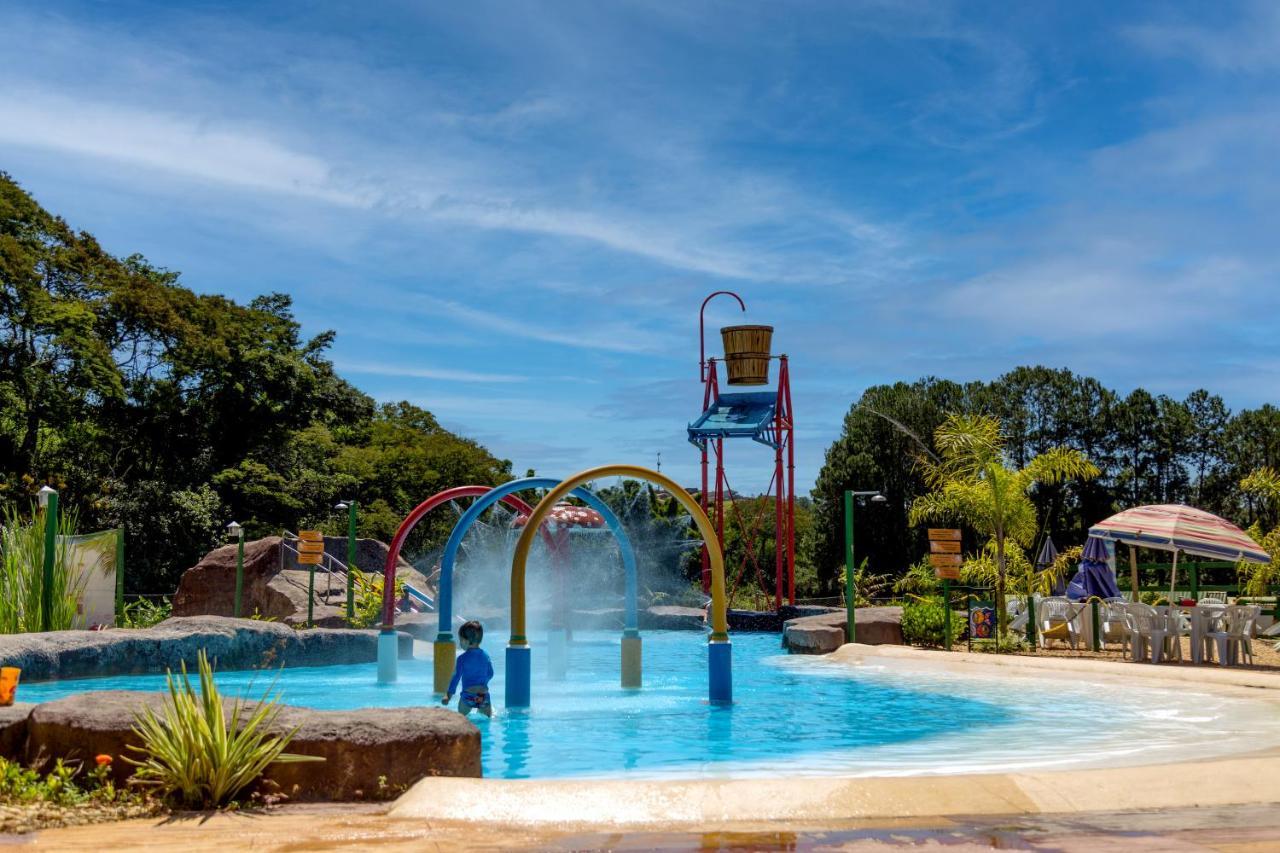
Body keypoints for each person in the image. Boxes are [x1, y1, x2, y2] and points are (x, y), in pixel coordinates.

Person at [442, 620, 494, 717]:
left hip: (468, 696)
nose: (460, 643)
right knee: (486, 721)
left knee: (461, 720)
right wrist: (483, 683)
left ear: (466, 641)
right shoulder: (486, 656)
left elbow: (456, 678)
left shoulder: (462, 658)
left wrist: (448, 695)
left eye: (460, 640)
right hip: (483, 695)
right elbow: (490, 673)